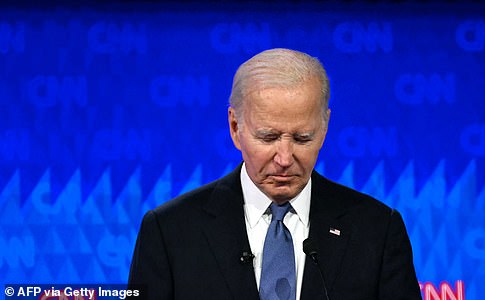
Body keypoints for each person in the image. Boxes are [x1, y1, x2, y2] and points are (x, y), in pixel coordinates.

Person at [128, 48, 421, 300]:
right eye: (268, 138)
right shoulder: (170, 231)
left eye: (302, 138)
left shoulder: (377, 230)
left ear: (325, 127)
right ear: (235, 127)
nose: (284, 159)